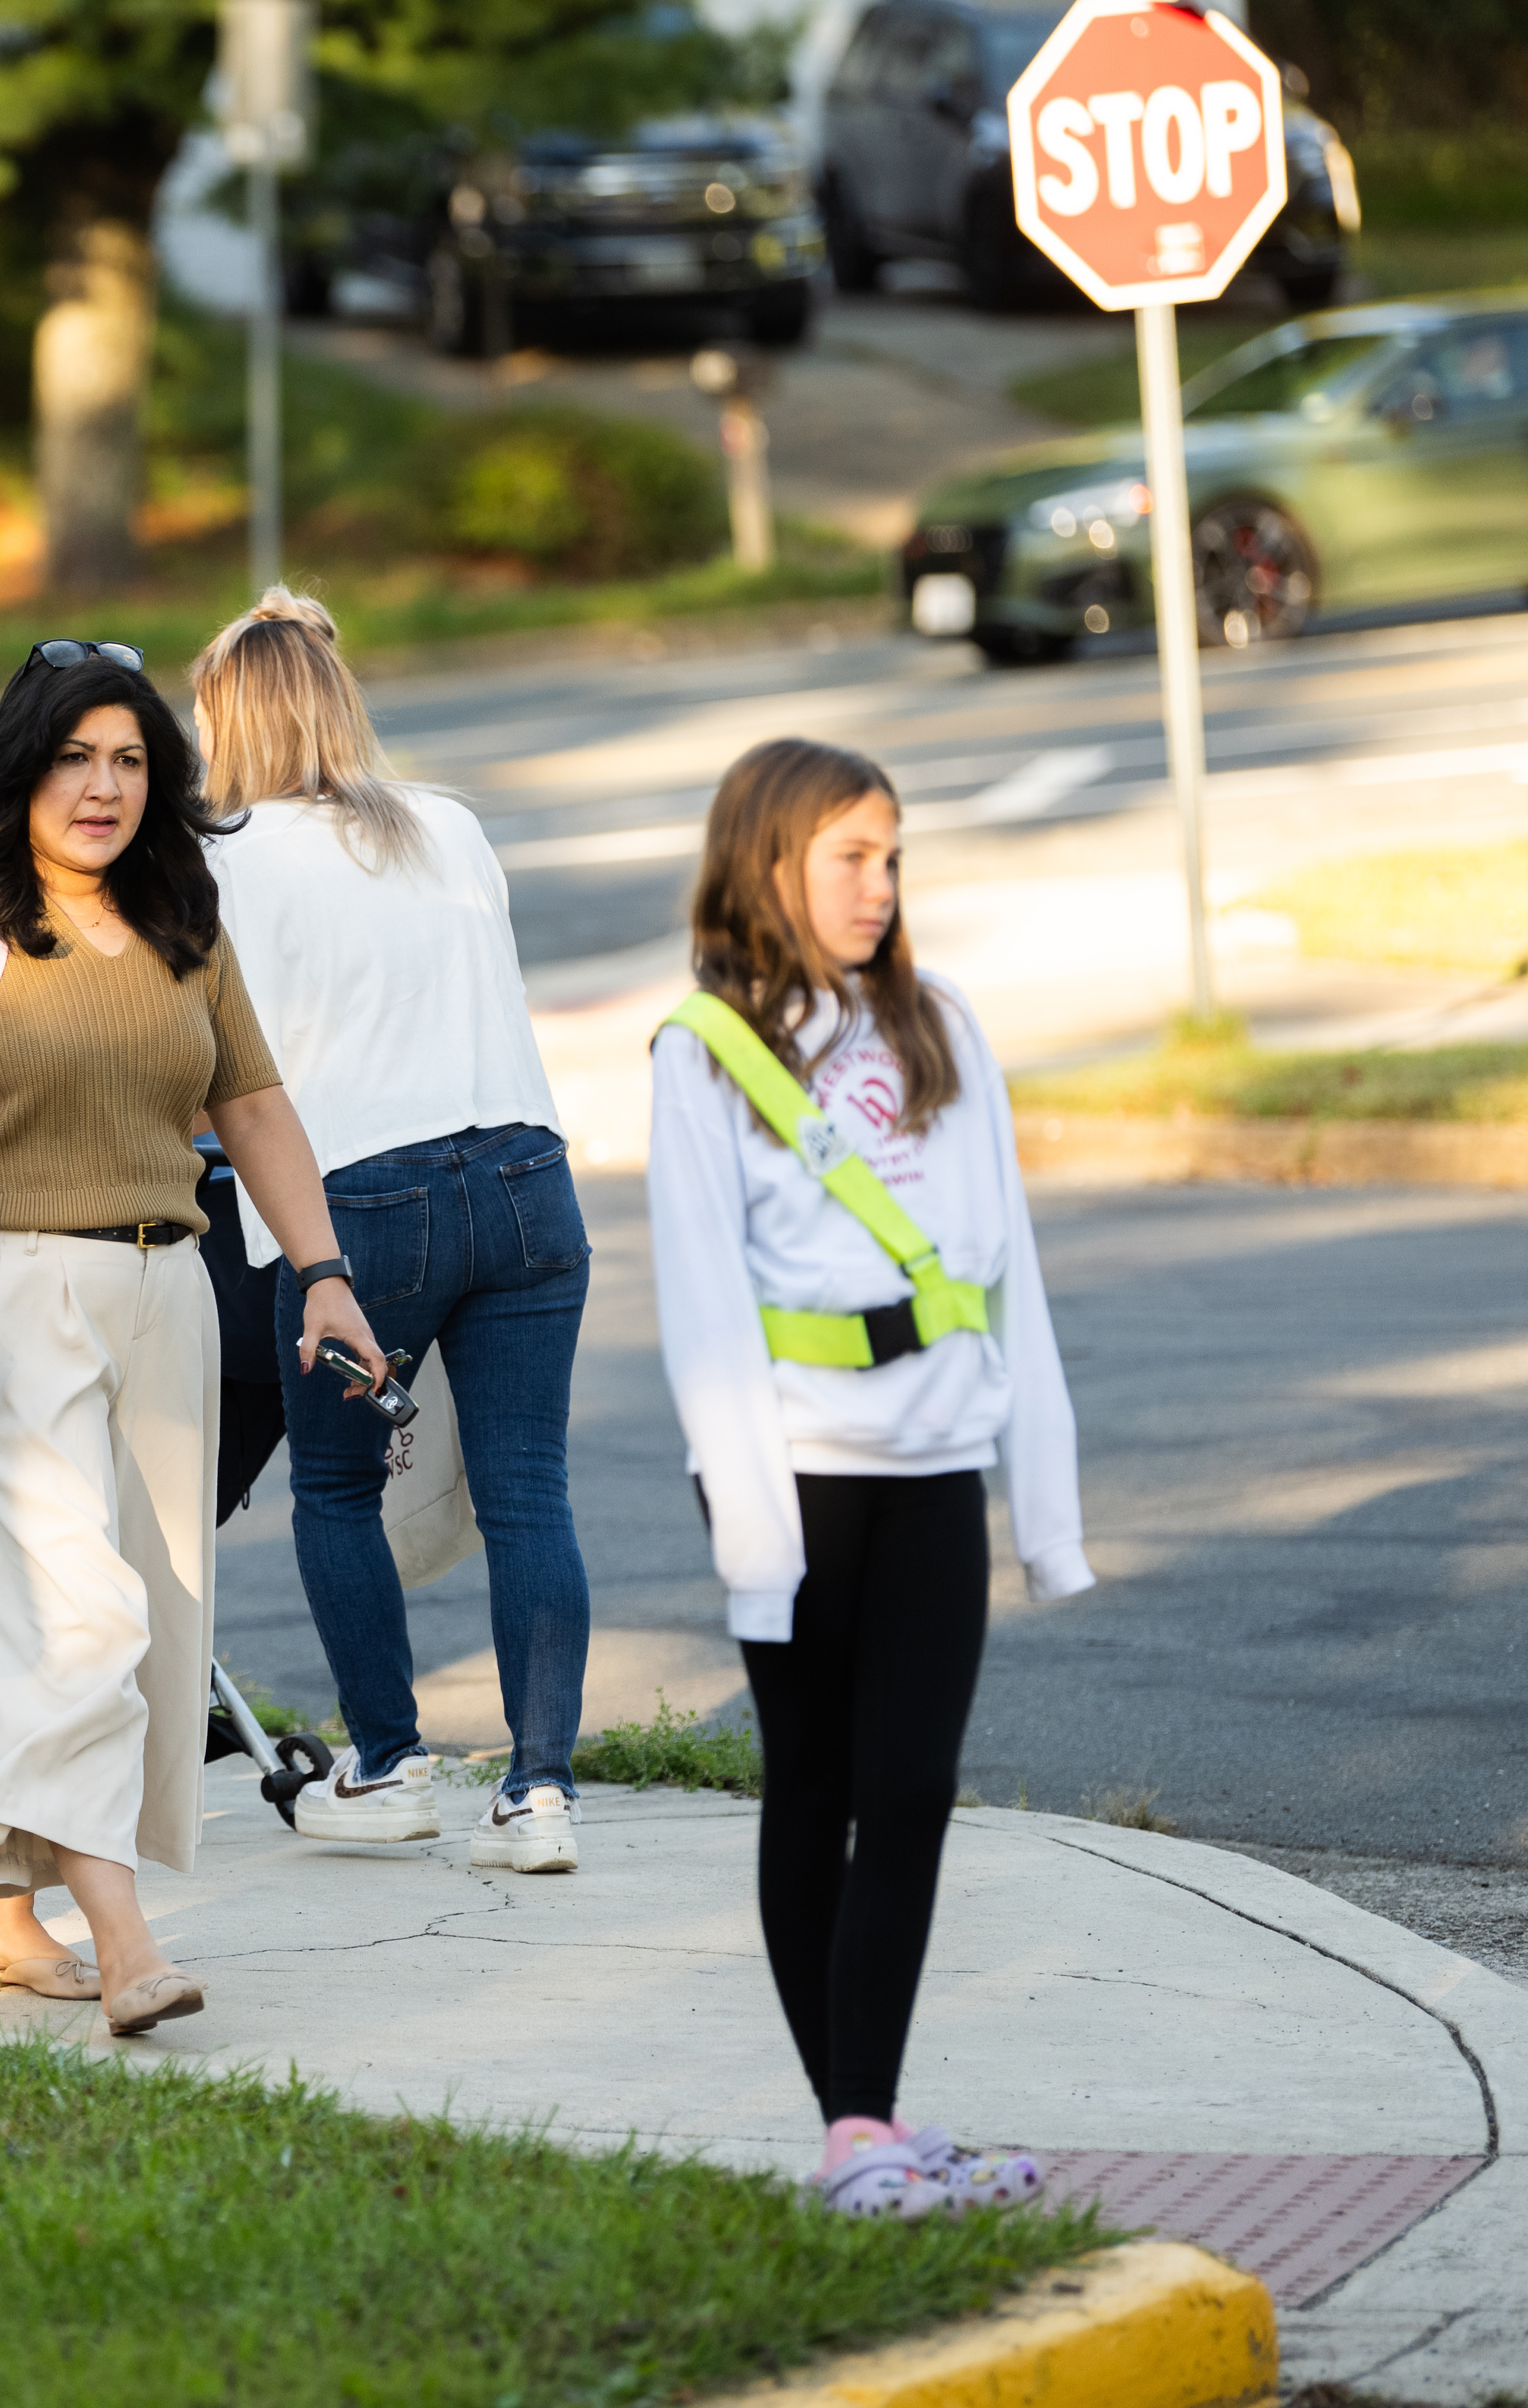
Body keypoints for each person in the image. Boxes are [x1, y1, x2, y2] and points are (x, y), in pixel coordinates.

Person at [0, 641, 386, 2036]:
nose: (105, 787)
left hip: (167, 1287)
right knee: (75, 1618)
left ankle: (1, 1915)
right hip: (5, 1293)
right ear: (23, 764)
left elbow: (253, 1105)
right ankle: (127, 1940)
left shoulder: (177, 916)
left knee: (142, 1623)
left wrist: (321, 1271)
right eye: (78, 757)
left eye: (133, 761)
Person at [649, 736, 1088, 2218]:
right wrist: (758, 1533)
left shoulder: (943, 1022)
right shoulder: (704, 1052)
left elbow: (1006, 1265)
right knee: (817, 1786)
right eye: (851, 856)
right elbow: (704, 1309)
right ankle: (859, 2135)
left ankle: (868, 2128)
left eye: (893, 856)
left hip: (937, 1464)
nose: (880, 886)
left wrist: (1050, 1506)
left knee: (915, 1791)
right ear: (768, 862)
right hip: (801, 1472)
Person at [188, 591, 593, 1870]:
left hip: (362, 1215)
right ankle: (539, 1796)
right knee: (529, 1490)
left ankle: (390, 1762)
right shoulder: (453, 827)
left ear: (229, 722)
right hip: (529, 1180)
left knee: (336, 1486)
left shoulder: (222, 855)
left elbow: (216, 1066)